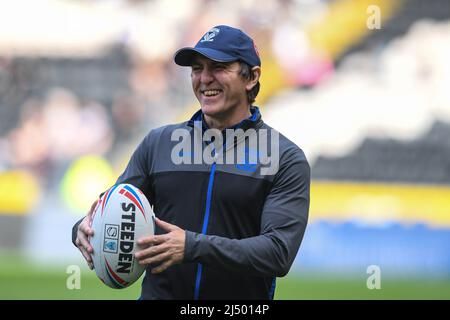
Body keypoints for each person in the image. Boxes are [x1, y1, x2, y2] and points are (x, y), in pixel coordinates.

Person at [72, 25, 310, 300]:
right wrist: (83, 229)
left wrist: (192, 246)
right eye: (197, 68)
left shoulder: (285, 158)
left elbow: (278, 253)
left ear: (251, 77)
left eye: (218, 67)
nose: (205, 79)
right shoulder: (158, 143)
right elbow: (112, 211)